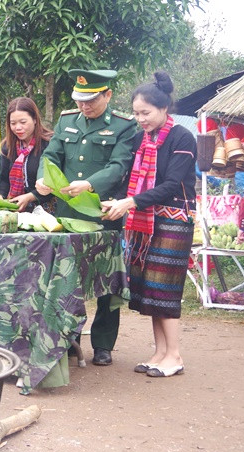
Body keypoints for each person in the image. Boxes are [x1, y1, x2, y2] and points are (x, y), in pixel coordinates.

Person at [35, 69, 136, 366]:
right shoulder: (67, 120)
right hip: (67, 216)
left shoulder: (124, 126)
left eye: (91, 100)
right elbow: (51, 155)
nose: (84, 106)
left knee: (106, 282)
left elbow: (119, 166)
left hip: (103, 214)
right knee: (69, 279)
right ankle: (70, 339)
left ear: (107, 95)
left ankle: (103, 344)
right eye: (80, 100)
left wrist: (90, 184)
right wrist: (43, 177)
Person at [102, 71, 196, 377]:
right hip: (144, 220)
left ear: (164, 108)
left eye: (146, 113)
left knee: (165, 288)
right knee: (149, 289)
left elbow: (170, 185)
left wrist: (129, 203)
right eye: (136, 113)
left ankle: (176, 356)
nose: (140, 119)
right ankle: (160, 353)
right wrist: (116, 200)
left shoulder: (183, 138)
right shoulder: (140, 138)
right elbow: (129, 179)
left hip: (173, 220)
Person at [0, 97, 54, 212]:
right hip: (17, 208)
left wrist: (30, 197)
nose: (18, 127)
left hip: (46, 209)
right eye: (13, 123)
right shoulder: (8, 146)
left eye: (23, 122)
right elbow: (4, 179)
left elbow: (54, 181)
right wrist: (0, 196)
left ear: (35, 119)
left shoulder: (50, 143)